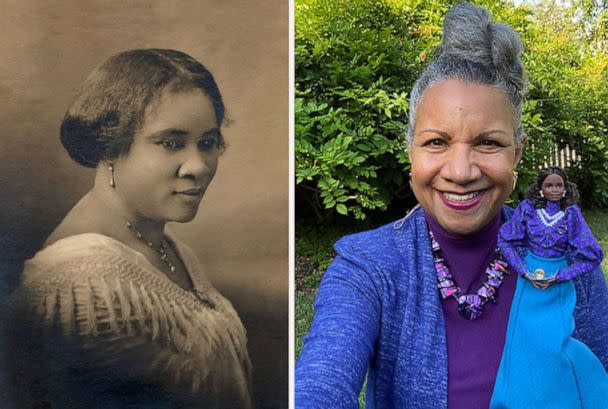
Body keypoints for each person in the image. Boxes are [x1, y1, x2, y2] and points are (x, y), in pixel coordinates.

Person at [295, 3, 608, 409]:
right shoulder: (368, 268)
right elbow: (320, 386)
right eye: (436, 142)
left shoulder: (568, 259)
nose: (460, 171)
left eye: (488, 143)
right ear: (410, 150)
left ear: (517, 153)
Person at [5, 49, 252, 409]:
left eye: (208, 142)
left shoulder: (169, 248)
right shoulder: (80, 290)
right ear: (110, 145)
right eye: (171, 143)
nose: (198, 166)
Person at [494, 166, 607, 408]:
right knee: (522, 340)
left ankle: (574, 392)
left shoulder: (571, 214)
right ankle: (514, 397)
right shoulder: (527, 209)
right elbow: (505, 239)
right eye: (549, 185)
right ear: (541, 188)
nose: (554, 189)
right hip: (528, 283)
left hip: (557, 284)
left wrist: (562, 275)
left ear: (565, 188)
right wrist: (522, 269)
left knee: (555, 341)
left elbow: (593, 254)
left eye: (559, 185)